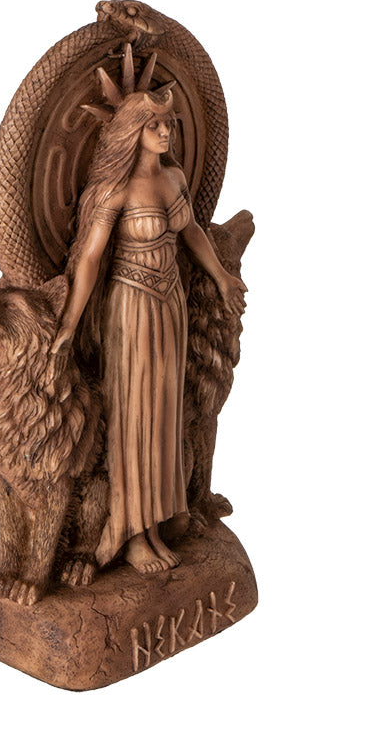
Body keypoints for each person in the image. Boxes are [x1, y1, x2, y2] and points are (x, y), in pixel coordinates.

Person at [51, 64, 246, 575]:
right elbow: (90, 258)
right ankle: (133, 534)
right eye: (154, 125)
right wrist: (70, 321)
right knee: (134, 415)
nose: (165, 132)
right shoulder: (115, 188)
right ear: (132, 132)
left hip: (170, 307)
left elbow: (192, 233)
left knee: (163, 413)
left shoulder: (173, 178)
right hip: (131, 310)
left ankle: (157, 524)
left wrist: (223, 277)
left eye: (169, 124)